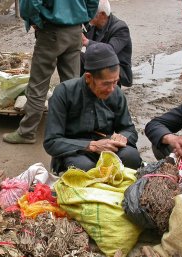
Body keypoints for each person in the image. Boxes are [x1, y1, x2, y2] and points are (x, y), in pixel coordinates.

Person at [2, 0, 99, 144]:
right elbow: (93, 2)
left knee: (38, 83)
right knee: (72, 84)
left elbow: (31, 2)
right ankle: (73, 131)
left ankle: (27, 132)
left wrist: (35, 20)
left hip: (52, 29)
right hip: (75, 31)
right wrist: (83, 19)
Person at [43, 43, 142, 173]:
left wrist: (122, 137)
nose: (112, 89)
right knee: (84, 168)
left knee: (132, 157)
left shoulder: (116, 93)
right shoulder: (64, 92)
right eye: (106, 84)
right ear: (89, 77)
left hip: (108, 147)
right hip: (76, 151)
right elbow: (52, 142)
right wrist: (92, 146)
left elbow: (129, 129)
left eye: (115, 82)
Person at [81, 0, 133, 87]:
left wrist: (87, 42)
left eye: (92, 12)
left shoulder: (120, 28)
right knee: (76, 56)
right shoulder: (92, 25)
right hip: (97, 62)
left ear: (102, 14)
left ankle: (109, 90)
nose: (88, 15)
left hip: (115, 67)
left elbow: (110, 50)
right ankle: (79, 88)